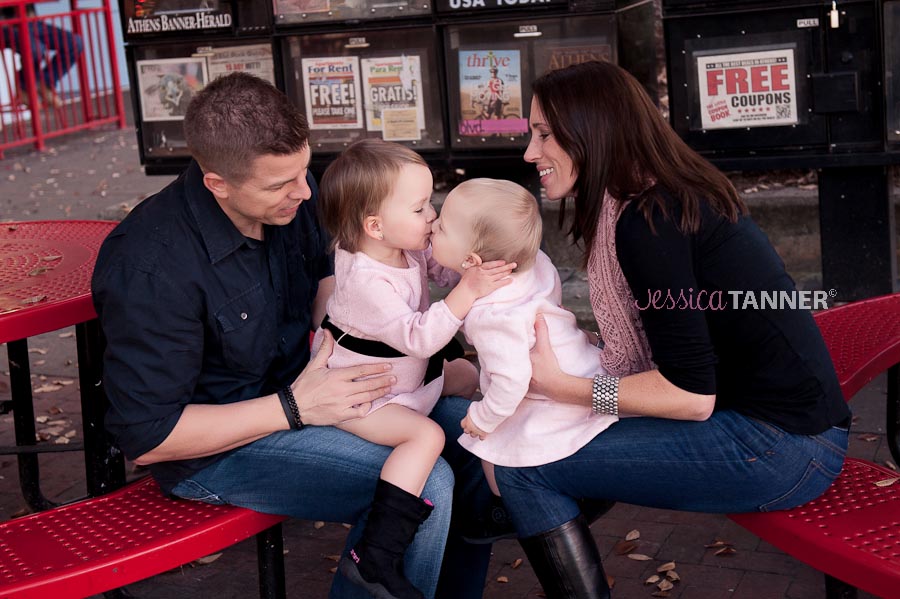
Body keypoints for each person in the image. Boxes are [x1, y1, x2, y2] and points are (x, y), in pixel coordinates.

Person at [91, 72, 495, 599]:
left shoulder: (291, 197)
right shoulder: (150, 266)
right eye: (281, 185)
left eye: (305, 172)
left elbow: (328, 279)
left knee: (473, 433)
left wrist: (354, 340)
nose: (305, 193)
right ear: (218, 183)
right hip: (222, 447)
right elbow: (149, 439)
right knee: (430, 483)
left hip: (314, 388)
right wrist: (296, 407)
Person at [492, 60, 851, 598]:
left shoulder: (648, 221)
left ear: (592, 130)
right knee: (530, 444)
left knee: (524, 469)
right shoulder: (662, 194)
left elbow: (690, 396)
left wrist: (564, 388)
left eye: (544, 134)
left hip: (782, 449)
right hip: (787, 428)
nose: (529, 152)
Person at [312, 139, 514, 599]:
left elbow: (442, 271)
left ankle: (496, 496)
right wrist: (467, 294)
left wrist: (469, 263)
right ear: (375, 226)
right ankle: (375, 554)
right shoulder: (365, 278)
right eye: (421, 208)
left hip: (409, 381)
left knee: (474, 379)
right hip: (361, 397)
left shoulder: (404, 248)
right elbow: (421, 337)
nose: (432, 218)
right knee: (427, 437)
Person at [428, 178, 615, 493]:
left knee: (490, 450)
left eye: (442, 227)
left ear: (472, 261)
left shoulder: (494, 318)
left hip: (548, 399)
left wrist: (482, 419)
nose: (432, 224)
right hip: (586, 366)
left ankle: (506, 504)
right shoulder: (531, 262)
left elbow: (512, 381)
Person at [1, 3, 83, 108]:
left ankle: (45, 82)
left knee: (74, 42)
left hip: (31, 21)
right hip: (5, 25)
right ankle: (24, 87)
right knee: (36, 49)